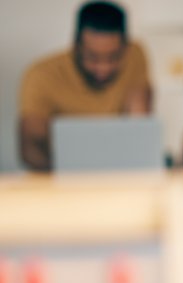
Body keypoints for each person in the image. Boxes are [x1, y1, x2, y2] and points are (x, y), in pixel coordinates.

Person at [18, 1, 151, 171]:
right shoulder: (41, 75)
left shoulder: (135, 55)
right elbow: (31, 149)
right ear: (75, 46)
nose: (103, 68)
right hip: (61, 179)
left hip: (118, 176)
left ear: (125, 47)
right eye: (93, 58)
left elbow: (138, 131)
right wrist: (77, 172)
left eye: (113, 57)